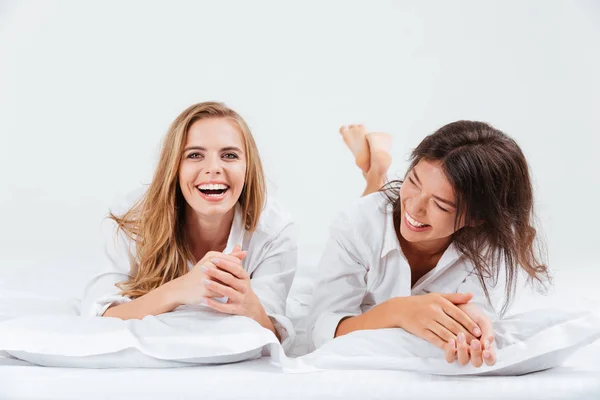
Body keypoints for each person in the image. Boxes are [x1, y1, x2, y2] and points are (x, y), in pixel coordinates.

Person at [308, 121, 550, 367]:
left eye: (441, 205)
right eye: (412, 180)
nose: (414, 207)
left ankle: (377, 170)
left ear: (477, 218)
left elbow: (474, 315)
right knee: (372, 207)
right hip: (371, 218)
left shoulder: (492, 245)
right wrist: (398, 311)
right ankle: (376, 174)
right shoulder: (356, 223)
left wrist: (472, 318)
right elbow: (321, 330)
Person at [81, 102, 297, 348]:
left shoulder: (274, 229)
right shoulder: (134, 219)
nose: (214, 169)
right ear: (174, 168)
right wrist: (179, 290)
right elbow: (99, 318)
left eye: (229, 155)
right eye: (195, 155)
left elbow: (275, 337)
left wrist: (250, 306)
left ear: (248, 169)